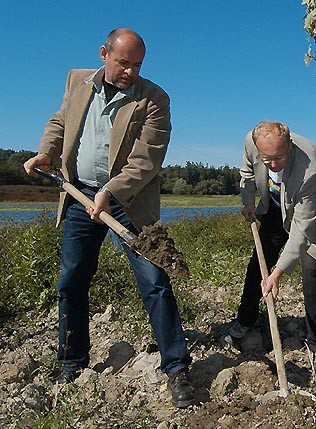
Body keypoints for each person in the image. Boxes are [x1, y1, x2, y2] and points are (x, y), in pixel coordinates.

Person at [23, 29, 196, 408]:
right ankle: (72, 361)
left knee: (154, 282)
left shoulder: (154, 99)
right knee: (72, 280)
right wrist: (45, 153)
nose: (130, 72)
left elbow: (146, 160)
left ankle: (177, 368)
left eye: (136, 65)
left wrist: (110, 192)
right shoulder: (77, 81)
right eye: (123, 63)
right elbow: (60, 121)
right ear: (104, 53)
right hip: (79, 194)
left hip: (127, 201)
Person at [224, 121, 316, 372]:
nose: (274, 165)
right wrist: (248, 201)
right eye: (267, 159)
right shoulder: (251, 142)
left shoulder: (311, 168)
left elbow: (302, 229)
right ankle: (245, 320)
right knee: (259, 263)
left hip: (311, 215)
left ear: (290, 145)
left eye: (280, 157)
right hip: (276, 207)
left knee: (313, 272)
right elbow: (247, 173)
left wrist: (278, 273)